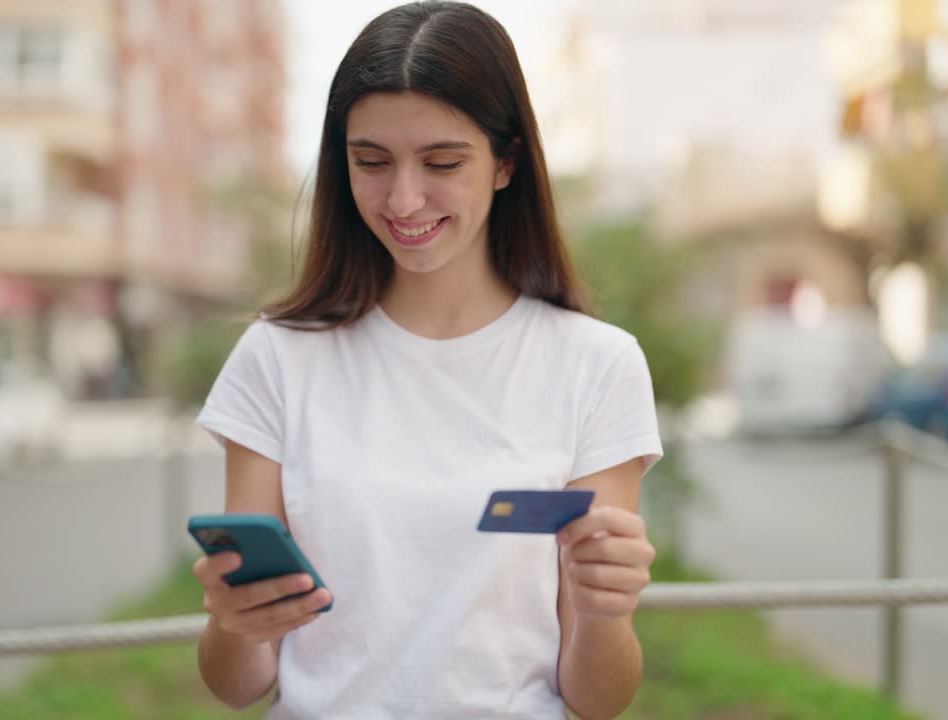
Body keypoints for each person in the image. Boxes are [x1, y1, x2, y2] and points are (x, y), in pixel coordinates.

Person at [192, 2, 662, 718]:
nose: (403, 199)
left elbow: (598, 701)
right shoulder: (276, 359)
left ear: (507, 163)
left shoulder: (597, 366)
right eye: (370, 162)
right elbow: (237, 683)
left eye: (442, 162)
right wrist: (233, 622)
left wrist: (604, 612)